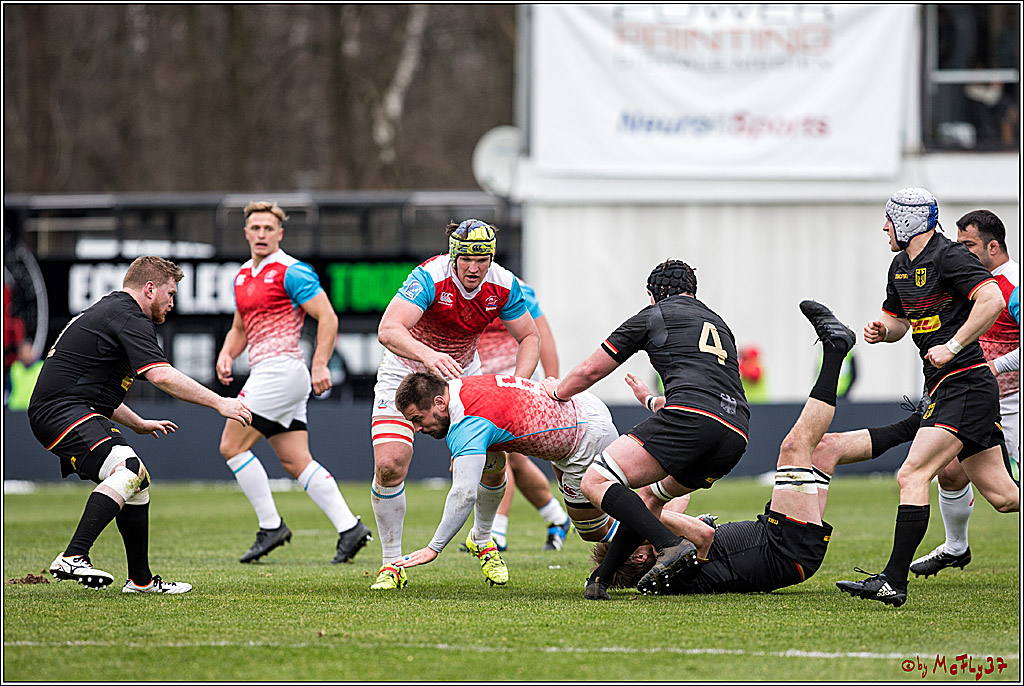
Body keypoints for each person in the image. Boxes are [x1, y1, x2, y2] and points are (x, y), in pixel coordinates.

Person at [586, 300, 856, 598]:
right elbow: (703, 533)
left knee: (827, 451)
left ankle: (913, 427)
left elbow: (671, 496)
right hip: (785, 547)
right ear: (639, 557)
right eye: (632, 537)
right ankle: (835, 350)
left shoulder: (668, 561)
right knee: (795, 447)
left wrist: (653, 404)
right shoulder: (672, 572)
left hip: (780, 540)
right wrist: (641, 516)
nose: (637, 529)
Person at [837, 188, 1018, 607]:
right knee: (1006, 498)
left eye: (889, 219)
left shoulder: (951, 256)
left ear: (909, 220)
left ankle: (891, 582)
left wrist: (953, 346)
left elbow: (991, 299)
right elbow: (898, 321)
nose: (884, 227)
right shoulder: (900, 266)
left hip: (965, 384)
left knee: (911, 475)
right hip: (950, 384)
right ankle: (901, 575)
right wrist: (883, 331)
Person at [28, 256, 252, 593]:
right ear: (149, 289)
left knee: (138, 482)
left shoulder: (110, 312)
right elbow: (160, 375)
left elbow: (92, 387)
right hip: (63, 411)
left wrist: (137, 423)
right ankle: (74, 555)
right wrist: (221, 401)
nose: (172, 303)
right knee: (129, 469)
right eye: (170, 294)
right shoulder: (130, 318)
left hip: (66, 409)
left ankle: (141, 581)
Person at [542, 258, 750, 595]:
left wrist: (555, 393)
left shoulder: (654, 314)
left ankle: (669, 543)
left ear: (653, 295)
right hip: (735, 434)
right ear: (692, 293)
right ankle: (603, 577)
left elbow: (589, 372)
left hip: (691, 419)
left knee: (595, 481)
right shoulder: (719, 324)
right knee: (650, 498)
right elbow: (708, 392)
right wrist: (652, 402)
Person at [370, 219, 540, 589]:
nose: (475, 268)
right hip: (406, 370)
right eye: (466, 259)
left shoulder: (504, 284)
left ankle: (481, 538)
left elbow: (530, 336)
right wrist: (428, 354)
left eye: (483, 259)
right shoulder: (430, 277)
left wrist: (519, 382)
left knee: (493, 466)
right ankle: (390, 564)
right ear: (453, 255)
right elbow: (388, 329)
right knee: (389, 464)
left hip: (462, 379)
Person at [216, 201, 371, 565]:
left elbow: (328, 317)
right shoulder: (241, 276)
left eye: (269, 228)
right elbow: (240, 328)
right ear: (246, 233)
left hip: (281, 372)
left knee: (231, 447)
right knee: (295, 461)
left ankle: (271, 525)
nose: (261, 234)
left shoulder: (291, 271)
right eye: (255, 228)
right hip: (272, 374)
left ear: (280, 234)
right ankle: (350, 528)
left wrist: (320, 364)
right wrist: (227, 353)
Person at [390, 370, 622, 583]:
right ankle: (482, 540)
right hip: (582, 406)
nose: (417, 429)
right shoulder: (460, 387)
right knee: (493, 463)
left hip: (585, 440)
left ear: (439, 403)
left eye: (418, 419)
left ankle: (655, 533)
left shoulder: (467, 423)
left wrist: (434, 548)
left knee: (594, 530)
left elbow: (464, 494)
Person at [909, 209, 1020, 578]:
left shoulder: (1011, 285)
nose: (963, 252)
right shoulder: (968, 281)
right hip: (982, 400)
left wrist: (995, 366)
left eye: (969, 245)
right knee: (951, 471)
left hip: (1015, 402)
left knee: (1009, 499)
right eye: (958, 245)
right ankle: (956, 547)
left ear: (993, 246)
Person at [475, 279, 571, 552]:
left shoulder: (509, 285)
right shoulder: (457, 287)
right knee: (515, 459)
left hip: (516, 376)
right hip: (481, 381)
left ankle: (497, 531)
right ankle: (556, 517)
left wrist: (553, 384)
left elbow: (542, 336)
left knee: (495, 448)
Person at [6, 339, 43, 410]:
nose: (27, 354)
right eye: (24, 352)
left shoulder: (41, 367)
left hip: (33, 408)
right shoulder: (15, 368)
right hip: (16, 408)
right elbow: (9, 389)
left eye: (29, 351)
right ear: (20, 354)